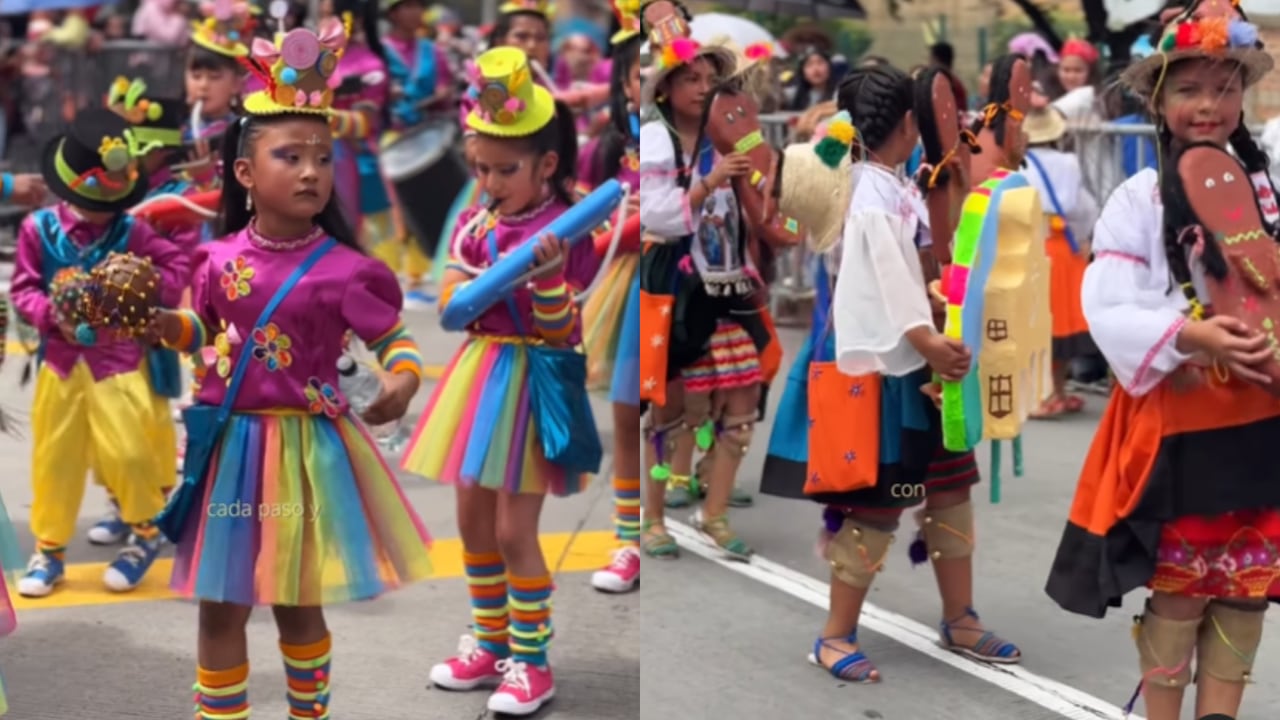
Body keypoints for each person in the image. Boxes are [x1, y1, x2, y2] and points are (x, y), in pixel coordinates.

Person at [150, 19, 433, 719]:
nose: (311, 170)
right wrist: (163, 325)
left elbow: (394, 342)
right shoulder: (213, 261)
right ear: (245, 173)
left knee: (296, 608)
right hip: (226, 449)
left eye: (320, 156)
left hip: (305, 457)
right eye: (289, 156)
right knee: (220, 610)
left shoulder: (347, 270)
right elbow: (206, 335)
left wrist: (402, 380)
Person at [1044, 2, 1280, 719]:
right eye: (1189, 89)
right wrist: (1196, 334)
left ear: (1246, 94)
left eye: (1225, 86)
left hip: (1264, 415)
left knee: (1247, 582)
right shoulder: (1140, 198)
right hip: (1183, 420)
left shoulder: (1270, 188)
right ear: (1157, 98)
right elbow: (1110, 303)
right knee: (1180, 584)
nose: (1209, 105)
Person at [803, 64, 1020, 683]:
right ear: (908, 123)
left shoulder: (895, 181)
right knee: (880, 506)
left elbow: (932, 261)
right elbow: (886, 284)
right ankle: (833, 634)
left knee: (950, 489)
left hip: (924, 360)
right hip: (892, 369)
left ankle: (961, 616)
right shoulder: (867, 191)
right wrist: (930, 341)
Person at [402, 47, 599, 717]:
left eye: (505, 169)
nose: (488, 181)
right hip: (479, 376)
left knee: (517, 531)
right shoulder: (475, 223)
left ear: (547, 164)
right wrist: (462, 282)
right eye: (480, 167)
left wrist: (545, 281)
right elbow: (457, 304)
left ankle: (533, 661)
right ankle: (489, 641)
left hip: (530, 379)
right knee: (472, 521)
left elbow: (560, 331)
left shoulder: (567, 232)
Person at [10, 108, 188, 598]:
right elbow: (24, 288)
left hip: (119, 363)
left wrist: (144, 294)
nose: (99, 211)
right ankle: (49, 551)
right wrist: (51, 313)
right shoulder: (38, 230)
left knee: (129, 455)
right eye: (90, 202)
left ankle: (145, 534)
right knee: (55, 461)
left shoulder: (131, 231)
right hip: (62, 365)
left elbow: (175, 264)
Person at [638, 3, 769, 558]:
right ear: (665, 88)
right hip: (676, 291)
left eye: (710, 79)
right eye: (690, 78)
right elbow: (656, 216)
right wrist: (707, 181)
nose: (702, 87)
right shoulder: (656, 141)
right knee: (673, 413)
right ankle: (652, 518)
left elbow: (752, 215)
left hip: (728, 287)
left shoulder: (729, 138)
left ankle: (713, 514)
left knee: (740, 409)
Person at [583, 0, 643, 593]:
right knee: (628, 414)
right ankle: (629, 537)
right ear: (625, 86)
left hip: (686, 281)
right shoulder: (606, 151)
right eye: (639, 76)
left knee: (683, 408)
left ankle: (682, 504)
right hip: (627, 290)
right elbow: (584, 228)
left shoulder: (698, 145)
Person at [1020, 106, 1100, 418]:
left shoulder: (1020, 164)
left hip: (1031, 246)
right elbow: (1083, 207)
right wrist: (1083, 238)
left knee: (1037, 325)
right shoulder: (1069, 163)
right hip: (1063, 247)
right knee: (1065, 325)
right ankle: (1059, 390)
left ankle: (1041, 394)